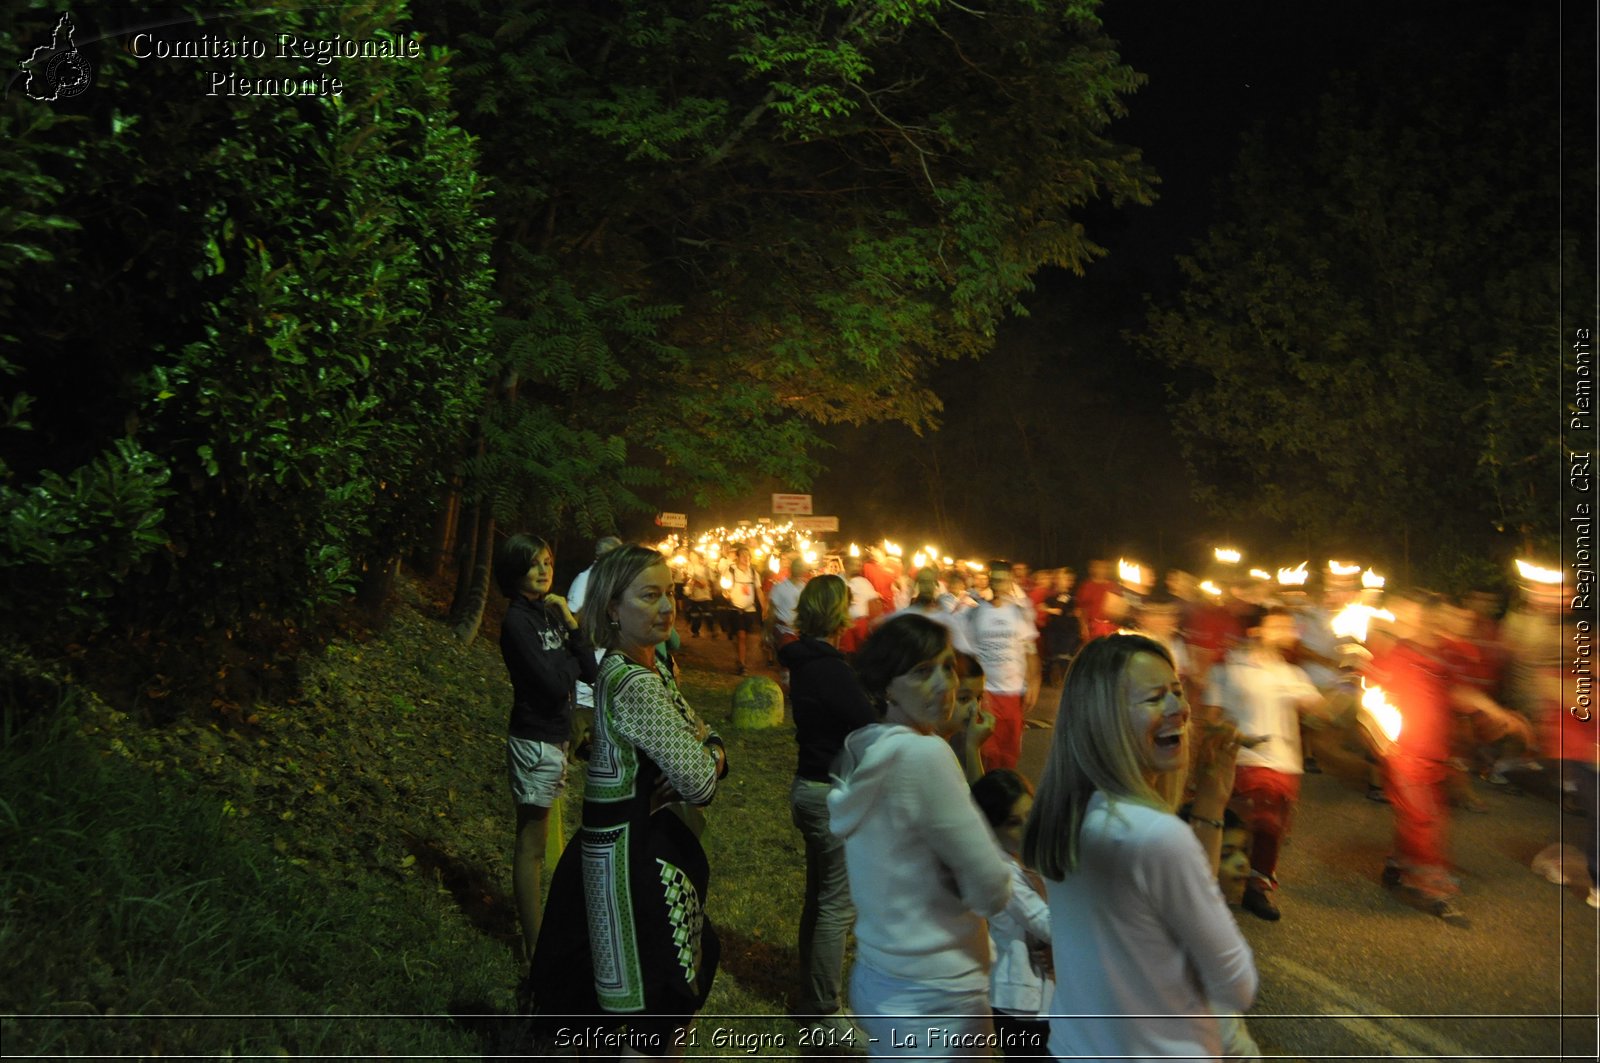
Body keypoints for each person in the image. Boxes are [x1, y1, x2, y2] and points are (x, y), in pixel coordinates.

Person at [528, 546, 730, 1054]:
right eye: (650, 596)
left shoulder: (648, 668)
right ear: (614, 608)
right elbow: (701, 780)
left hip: (632, 849)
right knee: (655, 1011)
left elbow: (700, 751)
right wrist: (712, 751)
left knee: (652, 1008)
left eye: (670, 594)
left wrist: (710, 748)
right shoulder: (634, 683)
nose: (667, 608)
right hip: (631, 865)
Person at [1022, 633, 1257, 1062]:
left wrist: (1210, 801)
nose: (1179, 709)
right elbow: (1235, 984)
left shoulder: (1071, 811)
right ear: (1105, 719)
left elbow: (1161, 912)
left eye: (1177, 692)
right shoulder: (1152, 834)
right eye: (1154, 699)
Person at [828, 614, 1012, 1057]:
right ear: (887, 686)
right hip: (938, 991)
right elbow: (992, 887)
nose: (944, 684)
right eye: (922, 672)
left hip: (878, 975)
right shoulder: (926, 755)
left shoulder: (864, 747)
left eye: (948, 667)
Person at [778, 574, 878, 1041]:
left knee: (819, 900)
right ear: (836, 612)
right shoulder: (829, 668)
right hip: (829, 792)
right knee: (836, 906)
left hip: (808, 786)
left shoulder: (804, 662)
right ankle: (823, 1009)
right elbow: (866, 721)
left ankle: (810, 995)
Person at [494, 534, 599, 970]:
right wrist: (569, 665)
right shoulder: (517, 622)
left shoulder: (550, 614)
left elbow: (589, 671)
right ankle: (533, 947)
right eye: (534, 563)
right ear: (516, 569)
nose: (544, 570)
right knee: (531, 845)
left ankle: (540, 937)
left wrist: (572, 625)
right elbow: (556, 684)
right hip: (535, 740)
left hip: (555, 737)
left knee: (538, 843)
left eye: (548, 561)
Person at [1203, 606, 1327, 921]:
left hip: (1285, 764)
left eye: (1289, 626)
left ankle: (1254, 885)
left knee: (1272, 832)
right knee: (1254, 822)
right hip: (1245, 760)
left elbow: (1320, 711)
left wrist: (1353, 690)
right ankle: (1228, 886)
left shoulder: (1291, 673)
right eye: (1279, 625)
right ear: (1257, 631)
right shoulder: (1229, 669)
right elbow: (1211, 718)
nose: (1288, 631)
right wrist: (1227, 740)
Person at [970, 769, 1052, 1057]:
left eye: (1031, 815)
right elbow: (1046, 925)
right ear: (989, 828)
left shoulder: (1019, 860)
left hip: (1029, 997)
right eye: (1015, 823)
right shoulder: (1004, 872)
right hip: (1019, 1001)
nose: (1027, 828)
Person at [965, 560, 1041, 771]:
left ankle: (1003, 796)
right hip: (986, 692)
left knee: (1009, 753)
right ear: (989, 581)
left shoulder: (1019, 613)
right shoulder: (977, 612)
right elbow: (968, 653)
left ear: (1010, 581)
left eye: (1002, 580)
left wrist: (1034, 681)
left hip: (1013, 693)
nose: (998, 584)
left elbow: (1031, 650)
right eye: (994, 579)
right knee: (987, 752)